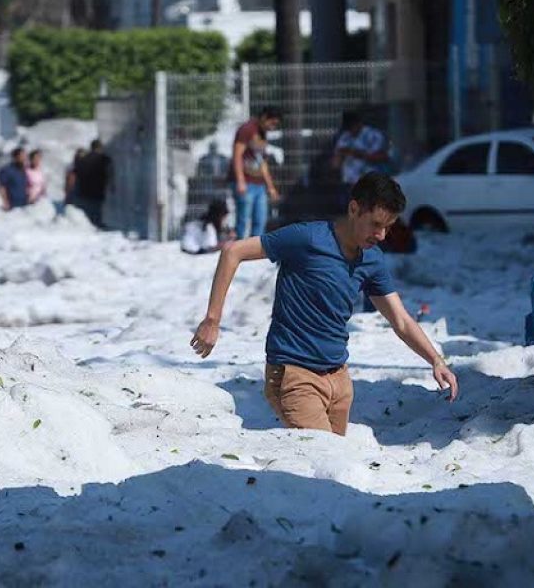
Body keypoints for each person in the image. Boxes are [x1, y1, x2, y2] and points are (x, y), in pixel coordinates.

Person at [191, 172, 459, 436]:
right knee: (321, 460)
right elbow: (232, 251)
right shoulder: (307, 238)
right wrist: (212, 319)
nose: (381, 235)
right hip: (295, 375)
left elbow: (401, 320)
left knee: (329, 472)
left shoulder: (372, 260)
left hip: (339, 381)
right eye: (376, 224)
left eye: (388, 226)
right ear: (354, 209)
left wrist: (435, 360)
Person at [228, 106, 281, 239]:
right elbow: (237, 155)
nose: (273, 127)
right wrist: (240, 181)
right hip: (245, 182)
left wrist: (271, 187)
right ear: (264, 117)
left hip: (259, 184)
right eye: (272, 123)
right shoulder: (247, 129)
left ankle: (254, 251)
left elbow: (263, 162)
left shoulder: (263, 133)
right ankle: (240, 249)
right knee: (243, 220)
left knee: (260, 220)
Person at [333, 110, 390, 186]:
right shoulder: (345, 137)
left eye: (351, 127)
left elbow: (381, 157)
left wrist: (353, 152)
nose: (350, 131)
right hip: (350, 182)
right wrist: (339, 157)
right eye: (348, 128)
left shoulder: (373, 135)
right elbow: (336, 163)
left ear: (358, 123)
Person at [74, 139, 112, 227]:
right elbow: (109, 170)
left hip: (84, 190)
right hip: (98, 190)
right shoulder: (104, 159)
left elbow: (76, 170)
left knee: (85, 215)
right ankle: (96, 227)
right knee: (96, 213)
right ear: (100, 148)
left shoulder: (83, 159)